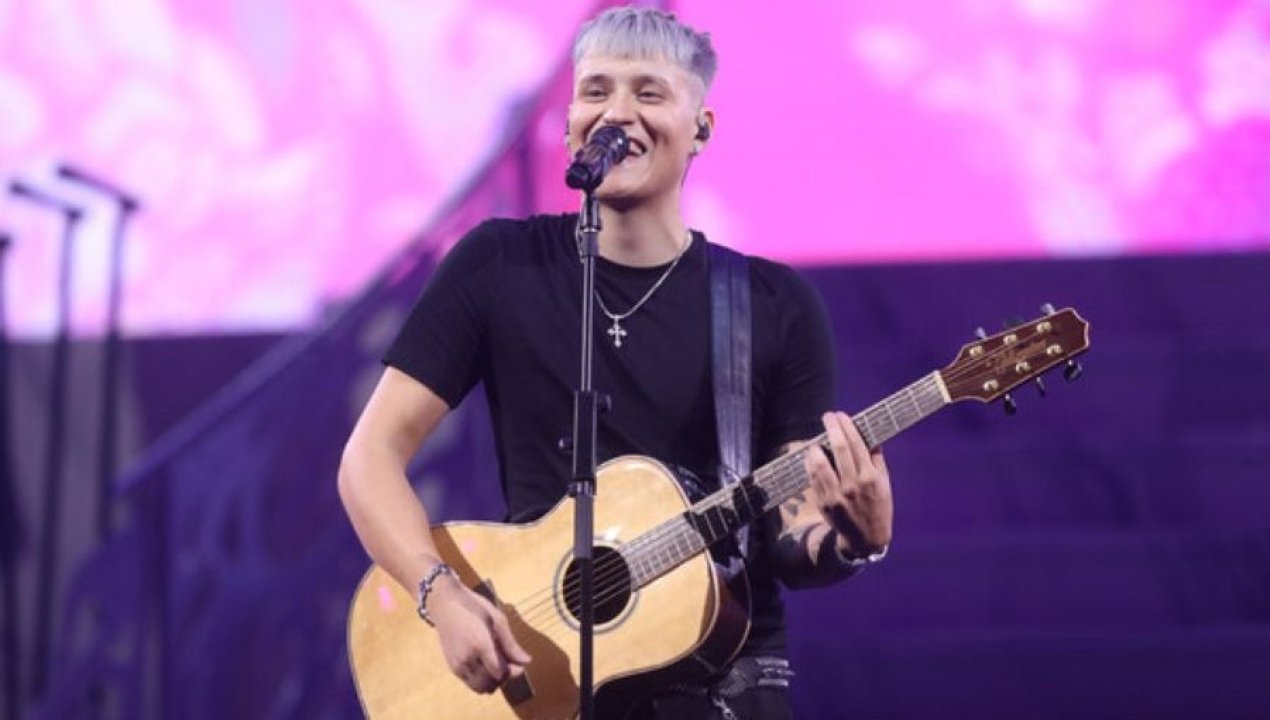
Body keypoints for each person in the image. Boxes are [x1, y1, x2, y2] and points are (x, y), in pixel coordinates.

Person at [338, 6, 894, 719]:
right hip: (544, 681)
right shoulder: (499, 264)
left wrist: (854, 541)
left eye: (648, 93)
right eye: (595, 91)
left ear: (701, 129)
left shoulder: (771, 303)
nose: (616, 112)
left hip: (723, 687)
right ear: (571, 120)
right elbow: (369, 459)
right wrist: (439, 594)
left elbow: (791, 539)